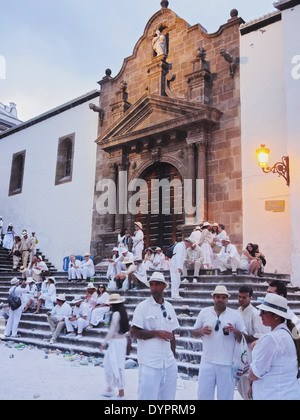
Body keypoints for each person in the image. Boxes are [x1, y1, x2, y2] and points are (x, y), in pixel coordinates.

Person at [193, 285, 248, 400]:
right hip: (207, 362)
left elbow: (244, 337)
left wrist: (235, 331)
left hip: (227, 364)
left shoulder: (235, 314)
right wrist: (202, 331)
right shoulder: (204, 312)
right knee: (203, 396)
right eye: (218, 297)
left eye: (223, 297)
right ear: (213, 298)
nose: (220, 300)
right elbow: (194, 332)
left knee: (226, 397)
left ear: (227, 299)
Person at [130, 272, 180, 400]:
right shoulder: (142, 307)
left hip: (168, 364)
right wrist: (156, 333)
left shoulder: (169, 307)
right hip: (150, 363)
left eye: (157, 284)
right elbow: (134, 332)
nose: (154, 288)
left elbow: (172, 334)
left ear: (163, 286)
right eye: (151, 284)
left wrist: (172, 355)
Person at [248, 293, 300, 400]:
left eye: (263, 312)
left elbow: (255, 374)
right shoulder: (287, 334)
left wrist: (249, 379)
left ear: (276, 316)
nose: (260, 315)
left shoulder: (272, 339)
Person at [237, 285, 265, 400]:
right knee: (240, 386)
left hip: (250, 354)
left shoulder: (255, 313)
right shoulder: (237, 311)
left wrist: (241, 335)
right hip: (238, 353)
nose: (241, 300)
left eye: (244, 297)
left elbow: (259, 336)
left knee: (248, 388)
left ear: (251, 298)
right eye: (239, 297)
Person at [100, 294, 130, 400]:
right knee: (111, 364)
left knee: (115, 366)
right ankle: (110, 388)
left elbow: (112, 330)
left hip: (116, 342)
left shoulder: (116, 314)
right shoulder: (124, 312)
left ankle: (120, 392)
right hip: (120, 341)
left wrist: (103, 343)